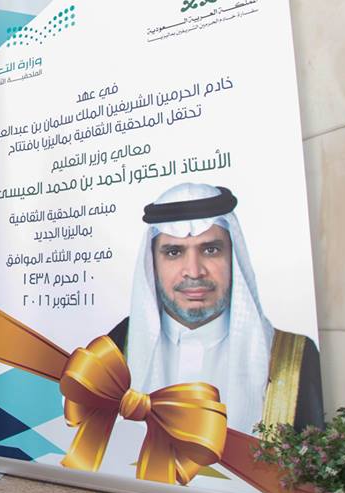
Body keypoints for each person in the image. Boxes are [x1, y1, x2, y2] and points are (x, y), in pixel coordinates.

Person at [107, 182, 324, 433]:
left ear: (233, 256)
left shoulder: (293, 358)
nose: (194, 271)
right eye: (174, 252)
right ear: (152, 263)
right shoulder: (115, 348)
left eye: (210, 250)